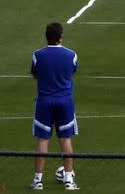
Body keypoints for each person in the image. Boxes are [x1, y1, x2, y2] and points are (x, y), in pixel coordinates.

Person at [30, 23, 79, 190]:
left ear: (46, 36)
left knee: (43, 139)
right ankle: (68, 180)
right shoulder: (71, 55)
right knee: (65, 139)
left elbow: (35, 75)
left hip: (44, 101)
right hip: (65, 101)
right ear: (60, 37)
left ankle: (37, 181)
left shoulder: (37, 55)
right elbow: (71, 72)